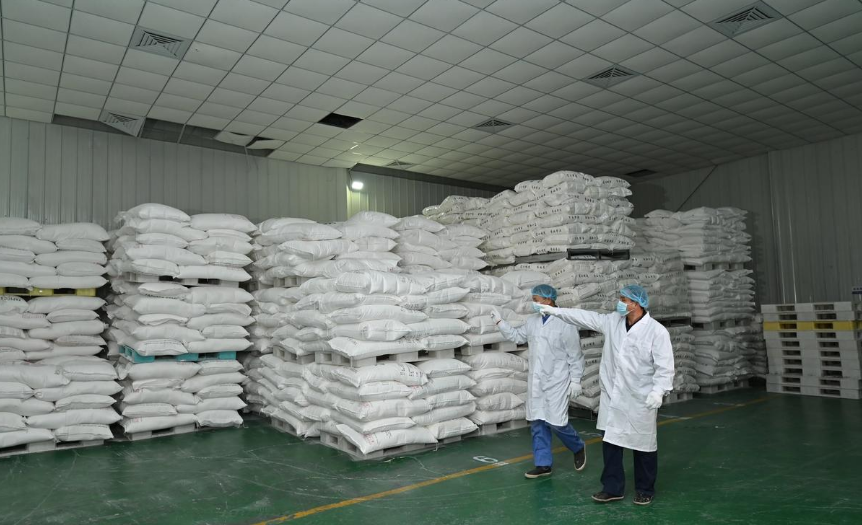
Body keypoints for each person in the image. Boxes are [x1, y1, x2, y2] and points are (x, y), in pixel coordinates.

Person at [534, 284, 674, 506]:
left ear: (636, 303)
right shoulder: (612, 322)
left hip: (640, 398)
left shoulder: (656, 331)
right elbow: (584, 317)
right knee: (610, 444)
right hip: (612, 396)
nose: (619, 303)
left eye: (624, 299)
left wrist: (659, 391)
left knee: (643, 446)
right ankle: (612, 488)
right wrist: (555, 311)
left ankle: (645, 489)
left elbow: (665, 366)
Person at [490, 284, 587, 479]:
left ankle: (577, 446)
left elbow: (575, 354)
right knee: (537, 422)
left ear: (548, 300)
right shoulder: (533, 321)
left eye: (536, 300)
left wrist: (576, 380)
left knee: (557, 422)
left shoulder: (565, 322)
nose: (533, 303)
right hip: (537, 380)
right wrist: (500, 322)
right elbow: (517, 336)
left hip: (557, 380)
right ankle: (543, 464)